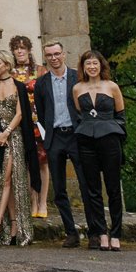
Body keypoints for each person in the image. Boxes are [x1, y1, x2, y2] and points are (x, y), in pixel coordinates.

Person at [73, 49, 126, 251]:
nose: (92, 67)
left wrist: (116, 136)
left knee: (113, 189)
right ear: (84, 67)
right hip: (86, 140)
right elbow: (79, 114)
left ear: (101, 65)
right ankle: (101, 233)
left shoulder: (112, 87)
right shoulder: (77, 89)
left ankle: (116, 234)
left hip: (110, 140)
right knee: (93, 190)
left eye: (95, 63)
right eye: (88, 64)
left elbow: (121, 116)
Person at [0, 50, 33, 246]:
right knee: (2, 181)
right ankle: (12, 226)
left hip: (14, 137)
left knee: (7, 180)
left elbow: (20, 114)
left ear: (7, 65)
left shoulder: (18, 86)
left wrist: (7, 133)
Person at [35, 40, 83, 247]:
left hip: (76, 135)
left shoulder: (77, 77)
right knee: (60, 189)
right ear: (45, 57)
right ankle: (71, 232)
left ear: (64, 54)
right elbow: (42, 110)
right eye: (49, 55)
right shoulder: (42, 83)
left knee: (86, 183)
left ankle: (98, 232)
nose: (54, 58)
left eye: (57, 54)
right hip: (55, 137)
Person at [9, 34, 47, 219]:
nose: (20, 51)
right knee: (23, 164)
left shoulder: (41, 71)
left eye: (23, 47)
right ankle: (29, 201)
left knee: (42, 163)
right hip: (20, 123)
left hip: (38, 122)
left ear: (29, 50)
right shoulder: (11, 73)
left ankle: (42, 201)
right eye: (16, 48)